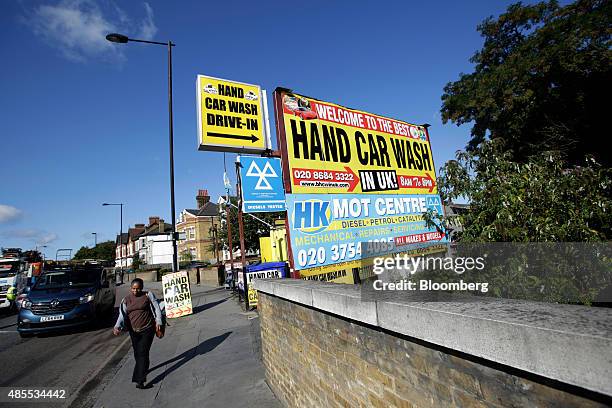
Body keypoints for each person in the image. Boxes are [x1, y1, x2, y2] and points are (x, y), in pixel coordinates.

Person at [113, 278, 164, 389]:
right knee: (138, 354)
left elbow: (156, 308)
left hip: (148, 329)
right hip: (134, 331)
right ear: (131, 288)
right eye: (133, 289)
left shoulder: (148, 295)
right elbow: (121, 314)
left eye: (138, 288)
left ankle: (139, 380)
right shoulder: (126, 300)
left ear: (142, 287)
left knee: (142, 353)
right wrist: (117, 326)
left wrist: (158, 321)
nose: (135, 291)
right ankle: (143, 369)